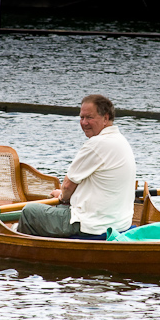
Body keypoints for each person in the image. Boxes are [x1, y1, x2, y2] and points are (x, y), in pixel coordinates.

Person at [18, 94, 136, 238]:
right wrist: (64, 198)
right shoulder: (121, 140)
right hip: (119, 223)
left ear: (105, 118)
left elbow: (67, 187)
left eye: (89, 117)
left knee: (29, 211)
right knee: (60, 207)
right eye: (81, 117)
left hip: (93, 225)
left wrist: (62, 196)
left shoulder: (96, 144)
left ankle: (20, 248)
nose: (84, 123)